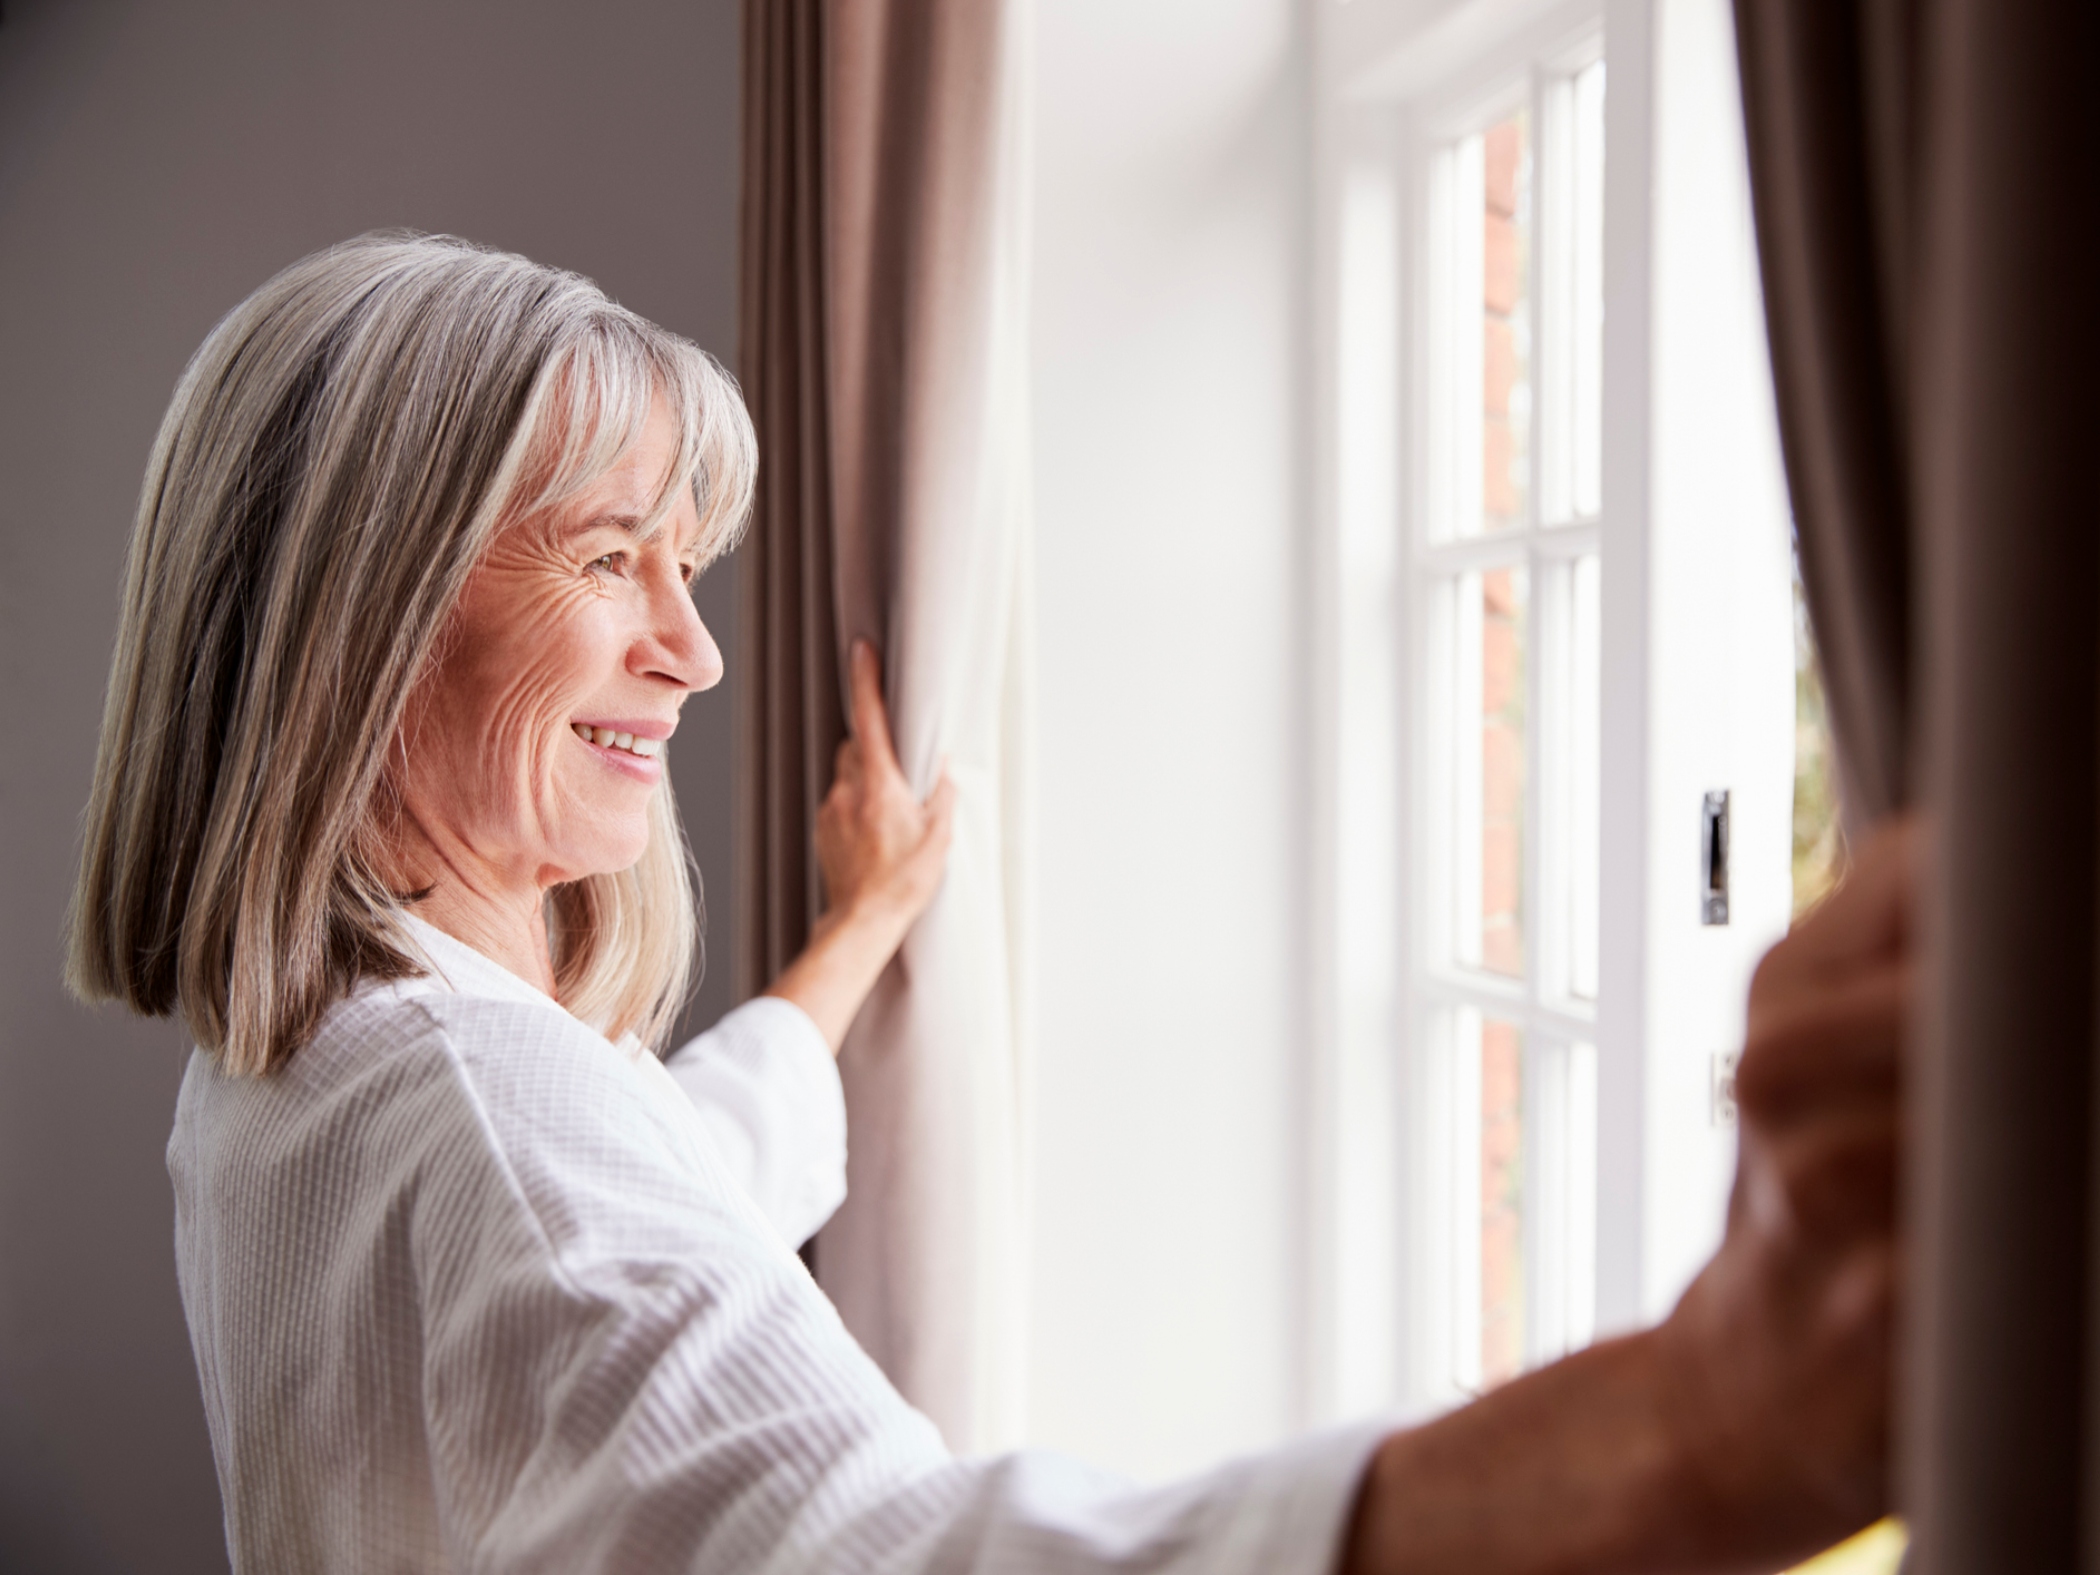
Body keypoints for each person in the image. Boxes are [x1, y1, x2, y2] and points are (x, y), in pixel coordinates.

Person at [68, 232, 1905, 1574]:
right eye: (612, 557)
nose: (697, 651)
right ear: (361, 618)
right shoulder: (485, 1129)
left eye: (686, 566)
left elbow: (671, 1170)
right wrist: (1716, 1412)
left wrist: (861, 922)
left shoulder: (294, 1081)